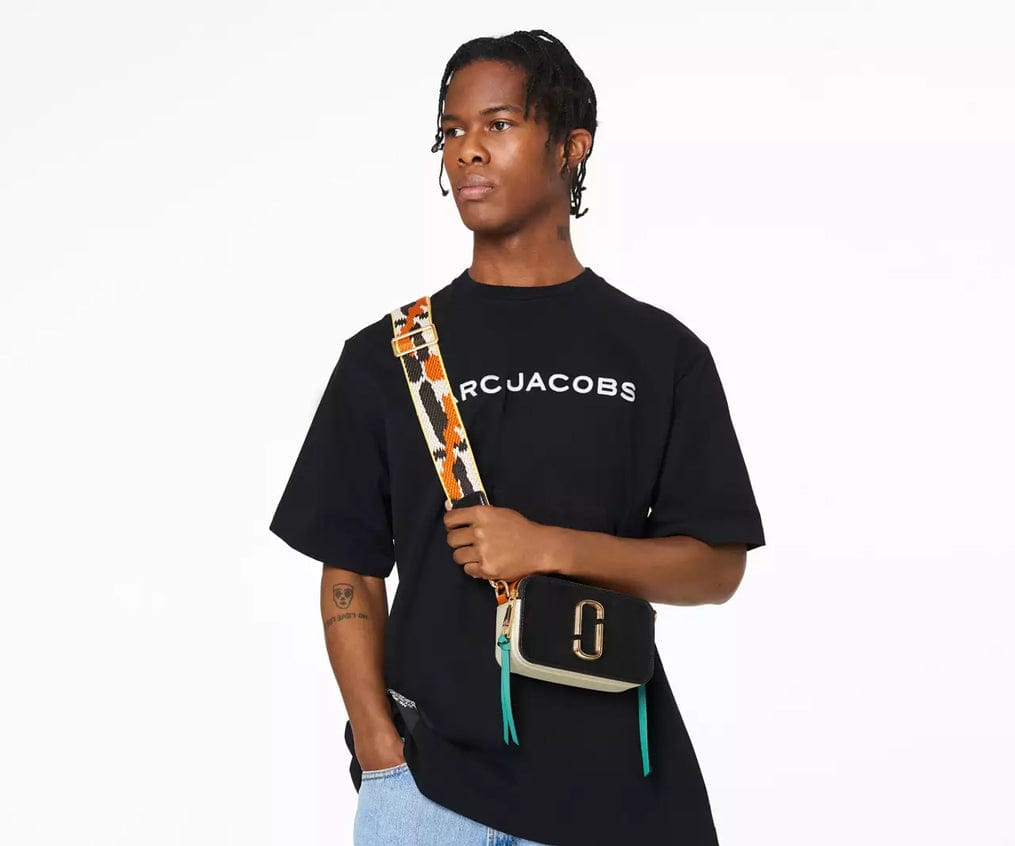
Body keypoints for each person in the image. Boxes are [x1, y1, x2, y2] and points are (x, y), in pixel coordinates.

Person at [269, 29, 765, 846]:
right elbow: (348, 568)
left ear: (571, 146)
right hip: (433, 797)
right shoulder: (388, 357)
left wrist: (548, 548)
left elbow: (715, 568)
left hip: (622, 791)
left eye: (498, 124)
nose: (467, 150)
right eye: (452, 130)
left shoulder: (657, 354)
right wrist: (380, 751)